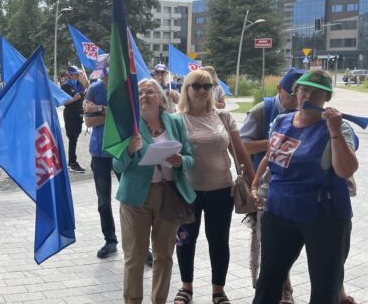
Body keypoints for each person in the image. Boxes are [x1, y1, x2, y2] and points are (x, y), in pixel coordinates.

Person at [252, 69, 358, 304]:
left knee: (325, 284)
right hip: (280, 212)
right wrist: (255, 185)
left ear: (326, 98)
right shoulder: (281, 121)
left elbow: (346, 170)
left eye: (317, 93)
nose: (308, 97)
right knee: (269, 280)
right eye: (304, 90)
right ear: (296, 92)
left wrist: (334, 131)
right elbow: (272, 156)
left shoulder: (340, 129)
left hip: (324, 217)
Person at [173, 69, 256, 304]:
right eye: (196, 86)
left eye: (207, 86)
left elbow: (240, 153)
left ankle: (218, 290)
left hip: (221, 189)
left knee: (218, 240)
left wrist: (254, 184)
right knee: (185, 238)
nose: (201, 91)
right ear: (186, 89)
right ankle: (186, 287)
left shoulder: (223, 117)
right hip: (187, 189)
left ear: (213, 89)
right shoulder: (176, 119)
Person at [113, 78, 195, 304]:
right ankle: (133, 301)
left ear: (161, 98)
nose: (144, 96)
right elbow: (118, 166)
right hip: (135, 198)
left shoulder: (175, 123)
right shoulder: (129, 125)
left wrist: (180, 161)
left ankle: (159, 300)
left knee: (164, 255)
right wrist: (129, 149)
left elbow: (189, 157)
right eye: (139, 93)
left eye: (150, 92)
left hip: (168, 195)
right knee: (134, 257)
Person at [239, 67, 304, 303]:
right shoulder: (261, 111)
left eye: (301, 92)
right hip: (266, 187)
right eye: (292, 93)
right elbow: (243, 145)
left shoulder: (304, 112)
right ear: (279, 89)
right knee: (270, 241)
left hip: (295, 189)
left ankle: (282, 287)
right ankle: (283, 289)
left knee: (287, 241)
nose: (298, 99)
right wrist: (278, 141)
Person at [82, 69, 120, 258]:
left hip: (123, 151)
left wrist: (100, 109)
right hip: (99, 152)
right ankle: (110, 240)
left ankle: (140, 244)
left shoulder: (124, 86)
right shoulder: (94, 89)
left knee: (132, 200)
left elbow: (129, 117)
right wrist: (114, 115)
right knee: (103, 201)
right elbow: (89, 122)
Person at [61, 65, 88, 173]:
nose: (77, 76)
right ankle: (72, 162)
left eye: (78, 74)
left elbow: (84, 93)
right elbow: (62, 102)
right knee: (72, 137)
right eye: (75, 74)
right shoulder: (65, 86)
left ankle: (71, 162)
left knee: (76, 136)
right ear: (69, 75)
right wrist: (73, 99)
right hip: (70, 113)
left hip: (79, 113)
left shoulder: (79, 84)